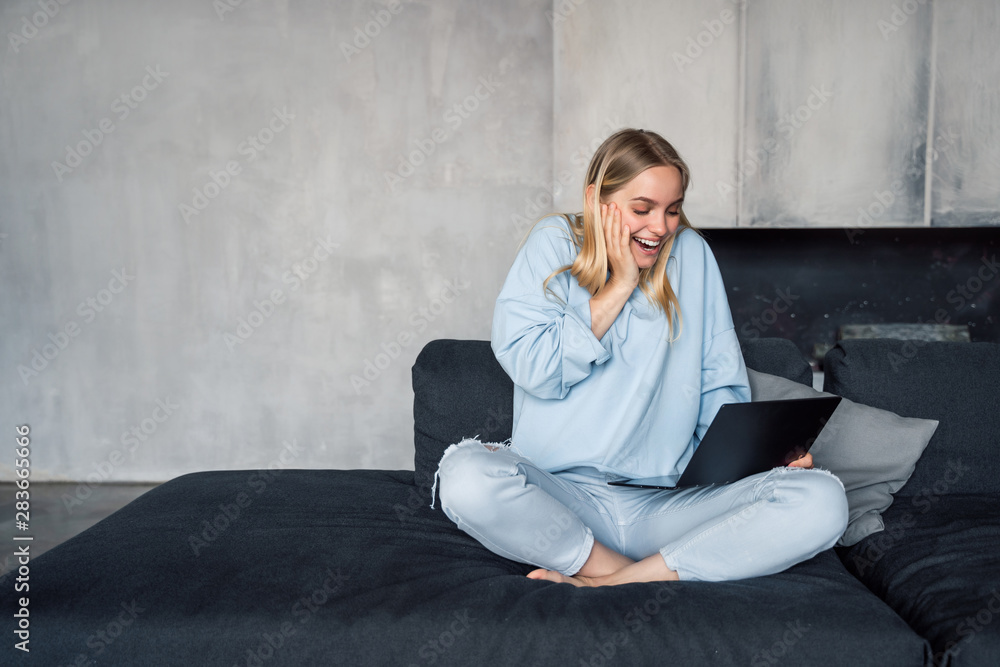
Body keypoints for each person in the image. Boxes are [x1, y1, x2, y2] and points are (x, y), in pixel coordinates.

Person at [432, 128, 848, 587]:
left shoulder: (692, 254)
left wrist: (758, 459)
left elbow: (719, 382)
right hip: (562, 500)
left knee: (821, 497)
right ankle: (618, 570)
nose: (661, 227)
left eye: (672, 210)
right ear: (597, 199)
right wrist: (620, 285)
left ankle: (614, 583)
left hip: (667, 505)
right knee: (464, 475)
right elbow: (536, 369)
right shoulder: (553, 242)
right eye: (642, 209)